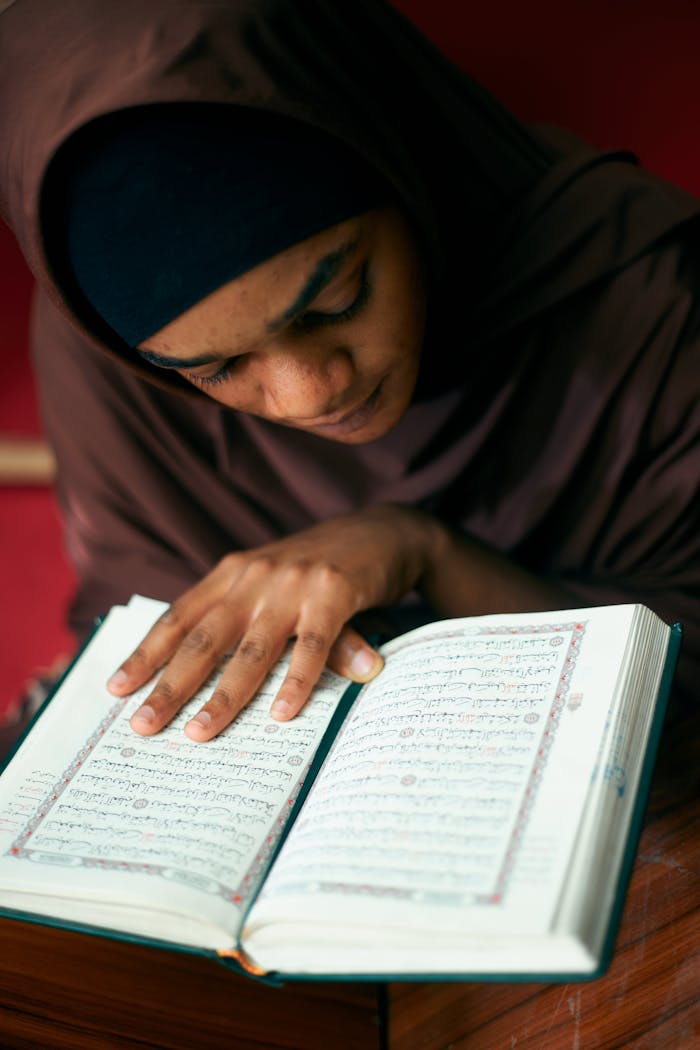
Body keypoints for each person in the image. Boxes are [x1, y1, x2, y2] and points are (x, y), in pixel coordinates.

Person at [1, 0, 698, 745]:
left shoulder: (648, 297)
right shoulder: (110, 364)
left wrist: (426, 554)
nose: (313, 392)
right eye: (216, 368)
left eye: (339, 297)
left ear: (403, 164)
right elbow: (133, 645)